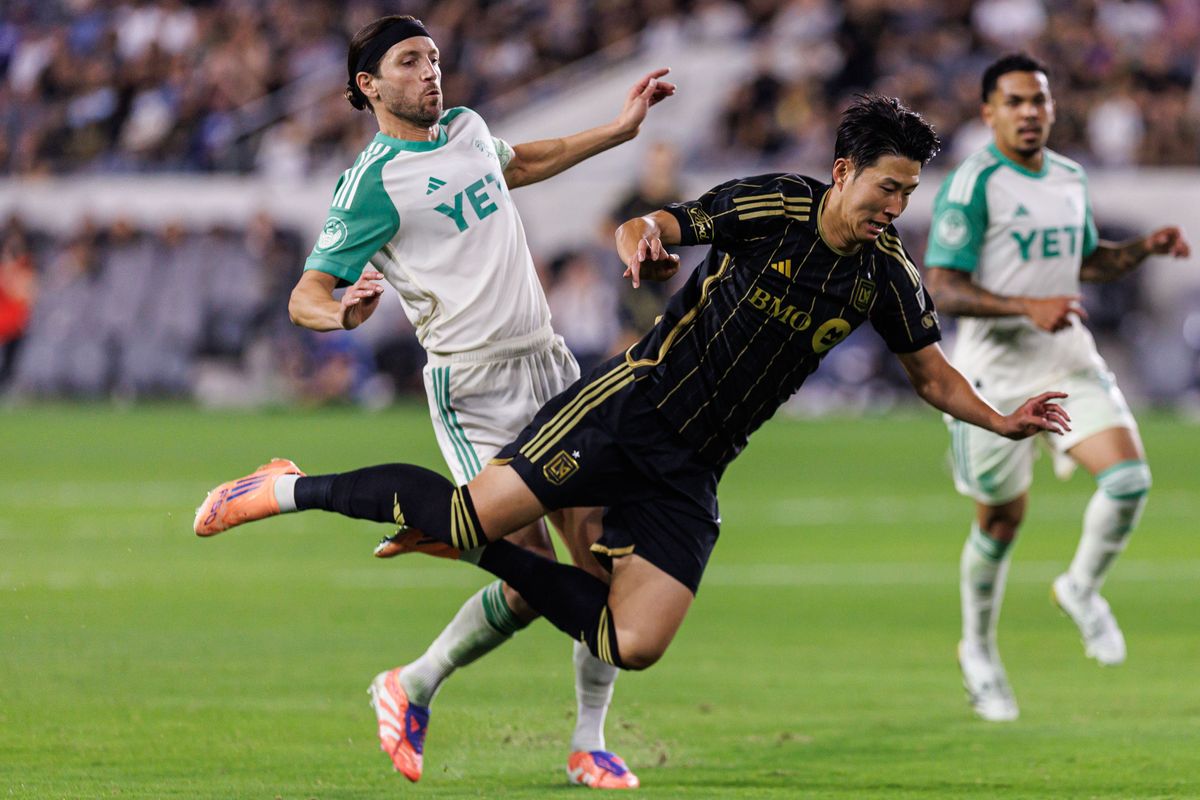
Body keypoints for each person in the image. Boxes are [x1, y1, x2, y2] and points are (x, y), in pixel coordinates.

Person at [196, 95, 1071, 758]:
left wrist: (999, 417)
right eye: (889, 186)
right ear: (845, 172)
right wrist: (641, 240)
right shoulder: (773, 205)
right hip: (624, 413)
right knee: (467, 517)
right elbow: (662, 221)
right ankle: (282, 488)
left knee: (633, 640)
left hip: (694, 471)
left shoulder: (887, 276)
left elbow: (930, 371)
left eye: (909, 193)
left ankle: (481, 565)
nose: (897, 207)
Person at [284, 14, 676, 788]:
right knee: (530, 574)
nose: (431, 72)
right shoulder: (370, 183)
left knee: (599, 557)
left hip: (550, 365)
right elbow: (306, 292)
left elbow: (521, 162)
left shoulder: (466, 128)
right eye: (408, 62)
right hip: (473, 386)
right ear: (369, 86)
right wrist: (343, 315)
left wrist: (621, 131)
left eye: (432, 58)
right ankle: (414, 682)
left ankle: (586, 741)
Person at [922, 53, 1191, 723]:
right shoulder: (973, 183)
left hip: (1067, 359)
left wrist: (1142, 251)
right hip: (993, 378)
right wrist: (1023, 306)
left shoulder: (1070, 176)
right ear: (989, 112)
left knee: (1129, 482)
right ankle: (978, 650)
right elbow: (942, 285)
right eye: (1014, 101)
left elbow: (1088, 259)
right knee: (1002, 522)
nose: (1030, 112)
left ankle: (1080, 587)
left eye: (1038, 100)